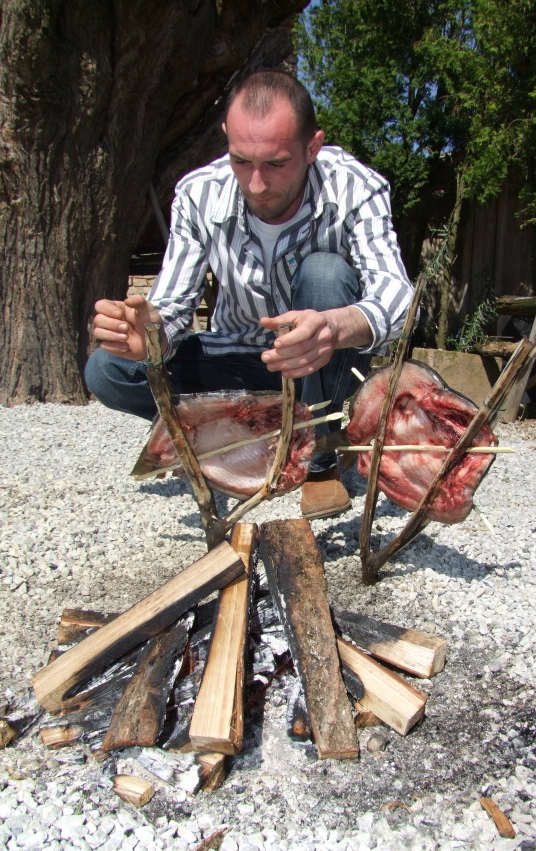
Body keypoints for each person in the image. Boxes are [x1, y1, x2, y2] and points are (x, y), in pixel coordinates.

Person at [85, 70, 414, 519]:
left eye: (276, 164)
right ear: (226, 139)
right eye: (241, 161)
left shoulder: (354, 187)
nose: (256, 184)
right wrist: (149, 335)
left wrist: (332, 327)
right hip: (240, 362)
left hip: (321, 368)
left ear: (312, 148)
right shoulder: (198, 194)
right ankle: (237, 438)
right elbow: (172, 309)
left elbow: (397, 295)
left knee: (324, 274)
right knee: (108, 369)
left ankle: (317, 462)